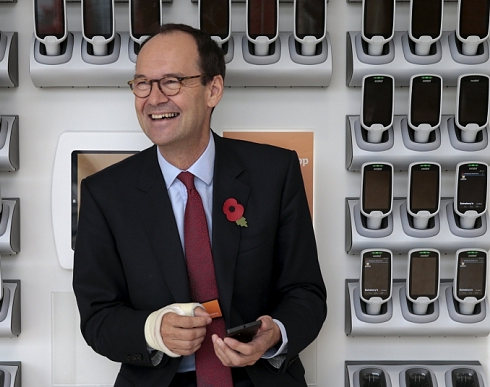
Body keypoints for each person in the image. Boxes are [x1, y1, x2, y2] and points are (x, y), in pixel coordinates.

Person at [72, 23, 327, 387]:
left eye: (172, 81)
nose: (154, 98)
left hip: (259, 377)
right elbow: (97, 317)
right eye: (142, 83)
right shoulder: (104, 193)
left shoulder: (275, 173)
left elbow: (306, 292)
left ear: (214, 89)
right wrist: (153, 330)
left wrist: (275, 334)